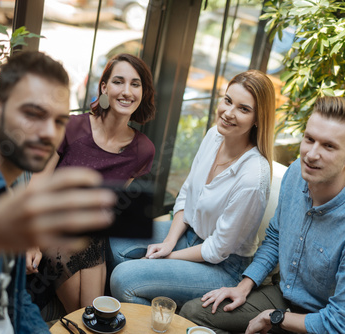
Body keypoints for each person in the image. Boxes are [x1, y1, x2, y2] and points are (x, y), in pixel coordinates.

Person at [0, 51, 117, 333]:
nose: (49, 132)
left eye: (59, 121)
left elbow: (13, 301)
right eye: (33, 114)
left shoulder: (9, 189)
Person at [179, 96, 345, 334]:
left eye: (328, 146)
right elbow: (276, 236)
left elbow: (343, 323)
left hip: (327, 321)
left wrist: (274, 318)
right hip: (283, 299)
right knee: (193, 315)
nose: (311, 154)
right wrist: (244, 286)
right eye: (309, 139)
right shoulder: (297, 171)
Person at [108, 70, 276, 307]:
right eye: (227, 100)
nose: (228, 113)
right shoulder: (214, 136)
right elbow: (186, 195)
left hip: (223, 266)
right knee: (113, 242)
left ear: (258, 119)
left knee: (124, 279)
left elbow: (217, 250)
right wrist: (169, 241)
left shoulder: (253, 178)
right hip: (189, 236)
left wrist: (167, 258)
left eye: (243, 109)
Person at [27, 53, 156, 314]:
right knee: (81, 310)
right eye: (119, 81)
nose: (127, 91)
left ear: (143, 92)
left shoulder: (143, 149)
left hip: (91, 234)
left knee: (93, 313)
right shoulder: (71, 128)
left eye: (135, 84)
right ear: (104, 87)